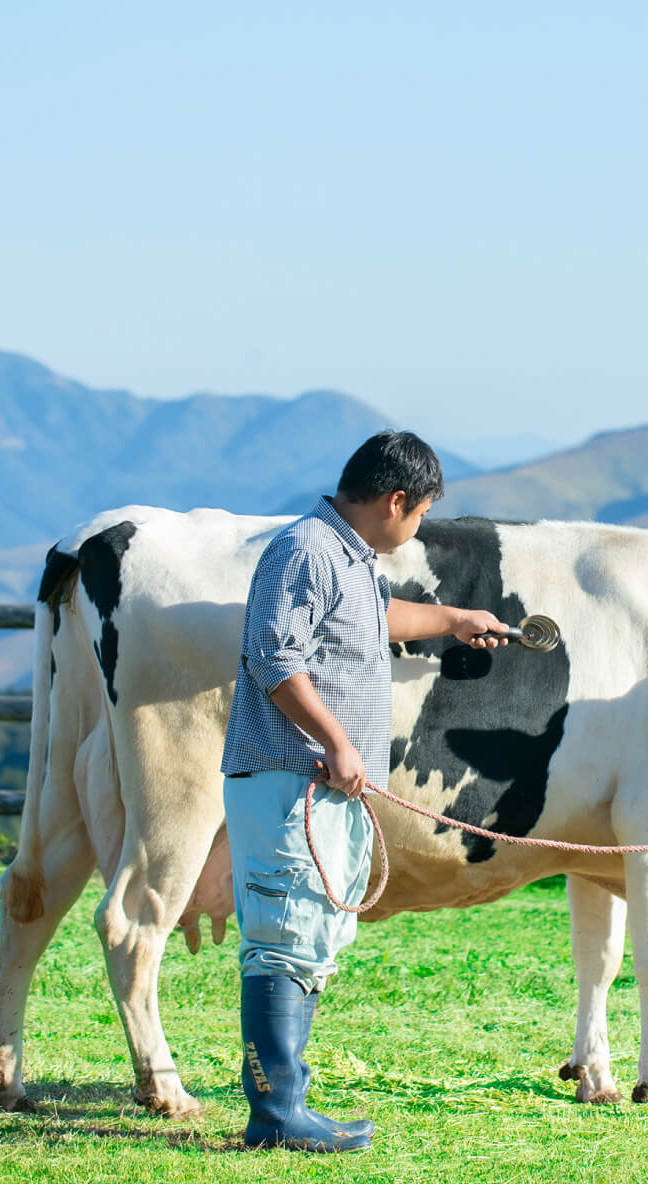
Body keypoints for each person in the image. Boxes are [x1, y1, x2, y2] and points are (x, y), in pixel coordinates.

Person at [219, 430, 505, 1153]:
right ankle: (277, 1116)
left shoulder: (348, 558)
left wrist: (454, 621)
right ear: (396, 499)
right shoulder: (306, 550)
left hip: (319, 787)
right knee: (284, 941)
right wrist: (338, 742)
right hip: (293, 778)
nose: (415, 531)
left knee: (310, 937)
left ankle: (287, 1106)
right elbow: (272, 656)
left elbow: (374, 622)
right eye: (418, 516)